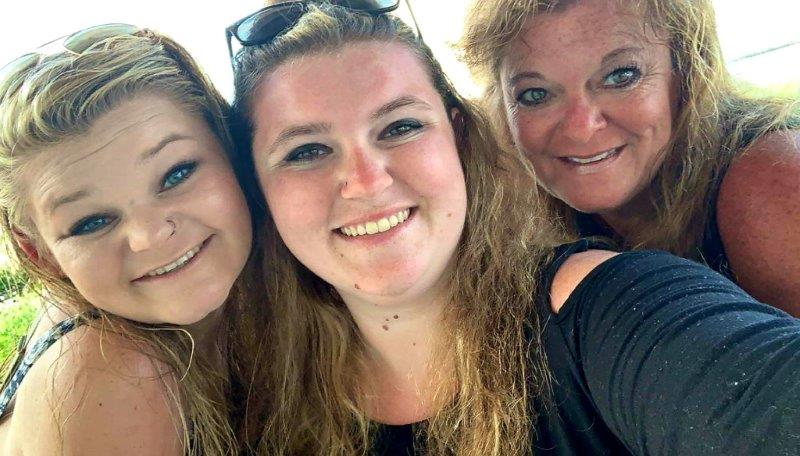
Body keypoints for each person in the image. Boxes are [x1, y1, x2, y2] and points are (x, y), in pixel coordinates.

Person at [229, 2, 800, 455]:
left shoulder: (765, 185)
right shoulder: (256, 389)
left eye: (400, 126)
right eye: (305, 151)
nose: (365, 182)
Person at [0, 24, 257, 455]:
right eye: (91, 222)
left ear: (232, 149)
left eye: (176, 174)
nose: (148, 236)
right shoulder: (110, 377)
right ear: (41, 256)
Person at [459, 0, 800, 315]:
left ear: (687, 73)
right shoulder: (508, 223)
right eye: (535, 95)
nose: (581, 129)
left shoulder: (773, 181)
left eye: (621, 76)